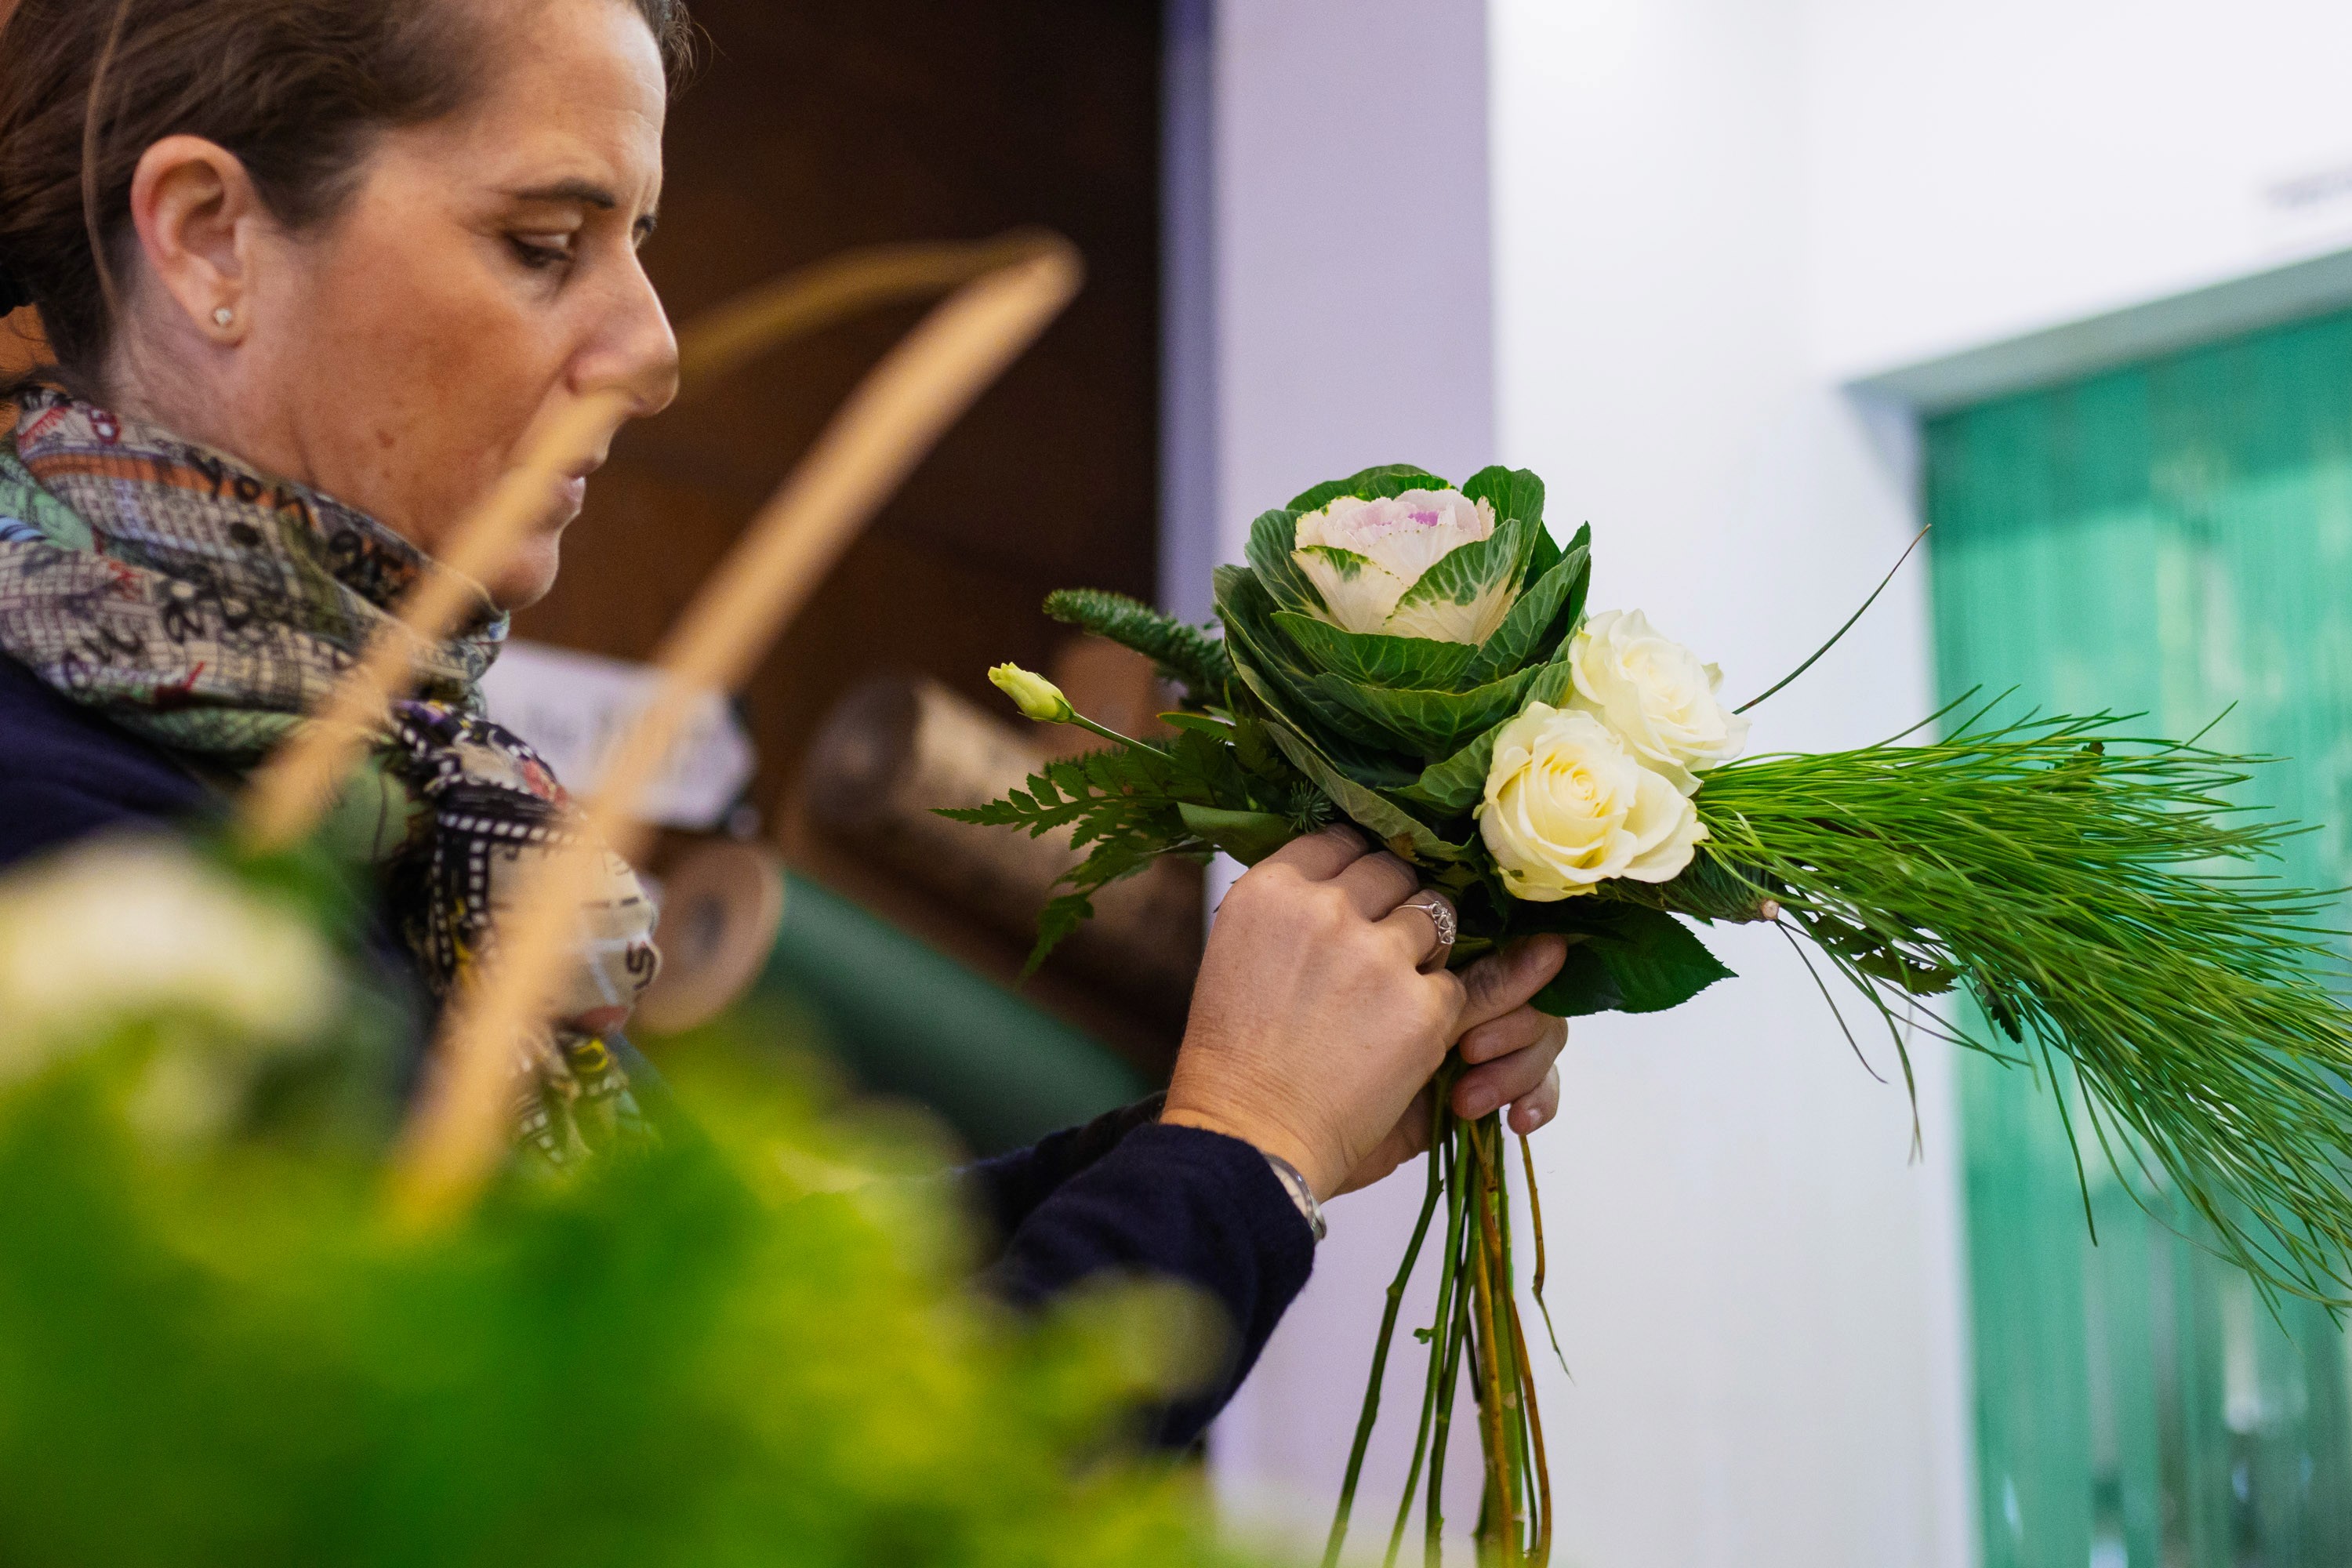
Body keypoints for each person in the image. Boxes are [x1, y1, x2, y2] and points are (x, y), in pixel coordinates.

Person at [0, 0, 1569, 1446]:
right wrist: (1238, 1155)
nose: (653, 351)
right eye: (547, 240)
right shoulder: (73, 849)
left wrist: (1255, 1110)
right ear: (212, 237)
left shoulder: (408, 782)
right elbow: (717, 1506)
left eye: (639, 241)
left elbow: (764, 1317)